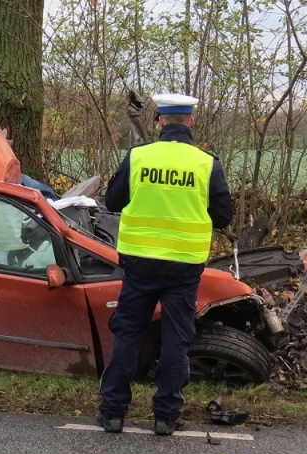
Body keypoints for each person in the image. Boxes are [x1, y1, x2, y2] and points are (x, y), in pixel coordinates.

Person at [97, 93, 235, 436]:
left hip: (139, 263)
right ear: (190, 122)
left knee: (128, 333)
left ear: (159, 121)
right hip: (183, 267)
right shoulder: (206, 163)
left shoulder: (139, 156)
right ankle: (166, 416)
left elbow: (112, 201)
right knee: (176, 339)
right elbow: (223, 215)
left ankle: (113, 412)